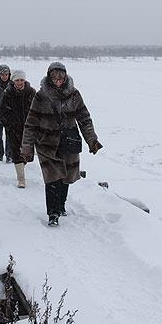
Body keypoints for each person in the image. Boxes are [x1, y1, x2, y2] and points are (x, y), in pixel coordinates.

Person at [21, 62, 102, 226]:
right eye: (55, 78)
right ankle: (53, 213)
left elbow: (84, 119)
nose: (58, 81)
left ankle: (61, 205)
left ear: (65, 77)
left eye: (61, 78)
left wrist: (92, 140)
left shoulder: (74, 95)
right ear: (50, 78)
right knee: (52, 177)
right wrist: (27, 147)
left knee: (65, 177)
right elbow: (31, 123)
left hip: (68, 142)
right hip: (46, 144)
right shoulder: (41, 96)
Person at [0, 69, 36, 187]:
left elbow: (38, 109)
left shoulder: (31, 92)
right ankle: (21, 179)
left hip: (28, 128)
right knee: (16, 153)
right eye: (17, 80)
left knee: (26, 153)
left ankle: (22, 165)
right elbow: (3, 112)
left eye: (22, 80)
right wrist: (9, 124)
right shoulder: (8, 93)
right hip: (13, 129)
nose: (20, 82)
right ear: (13, 81)